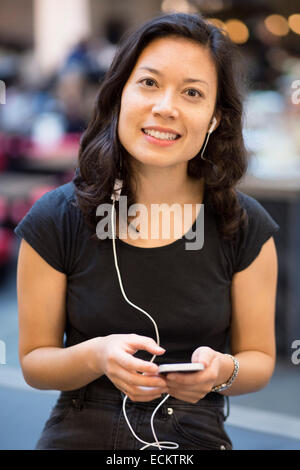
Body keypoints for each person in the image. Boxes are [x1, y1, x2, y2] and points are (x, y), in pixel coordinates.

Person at [14, 13, 280, 451]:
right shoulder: (56, 217)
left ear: (214, 119)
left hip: (194, 434)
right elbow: (33, 362)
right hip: (82, 430)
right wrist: (96, 356)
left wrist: (221, 373)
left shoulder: (244, 225)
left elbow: (260, 360)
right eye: (149, 83)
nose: (165, 107)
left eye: (192, 93)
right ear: (120, 93)